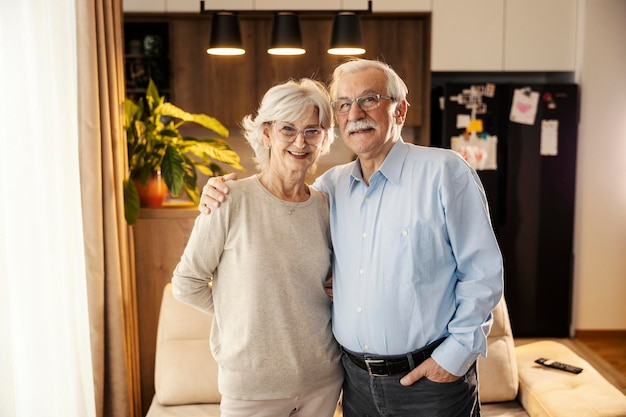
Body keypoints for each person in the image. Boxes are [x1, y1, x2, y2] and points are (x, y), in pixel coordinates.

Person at [199, 59, 504, 417]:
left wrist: (452, 359)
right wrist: (215, 195)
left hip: (430, 383)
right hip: (355, 384)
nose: (355, 112)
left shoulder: (444, 172)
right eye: (343, 104)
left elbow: (482, 274)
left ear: (400, 110)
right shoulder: (329, 189)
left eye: (370, 99)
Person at [171, 78, 343, 417]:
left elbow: (325, 285)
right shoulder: (229, 199)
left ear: (324, 138)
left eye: (312, 130)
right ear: (266, 133)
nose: (300, 141)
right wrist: (245, 317)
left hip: (323, 379)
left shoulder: (327, 206)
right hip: (251, 386)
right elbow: (186, 284)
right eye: (288, 129)